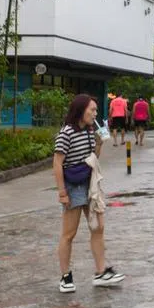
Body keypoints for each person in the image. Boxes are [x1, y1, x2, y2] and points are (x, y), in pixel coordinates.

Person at [54, 94, 124, 293]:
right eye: (92, 110)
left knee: (98, 227)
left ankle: (101, 272)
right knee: (69, 233)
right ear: (80, 110)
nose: (95, 113)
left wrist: (100, 143)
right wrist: (62, 192)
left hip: (90, 183)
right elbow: (57, 163)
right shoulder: (66, 133)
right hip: (73, 186)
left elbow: (93, 157)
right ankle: (65, 276)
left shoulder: (89, 131)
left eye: (95, 110)